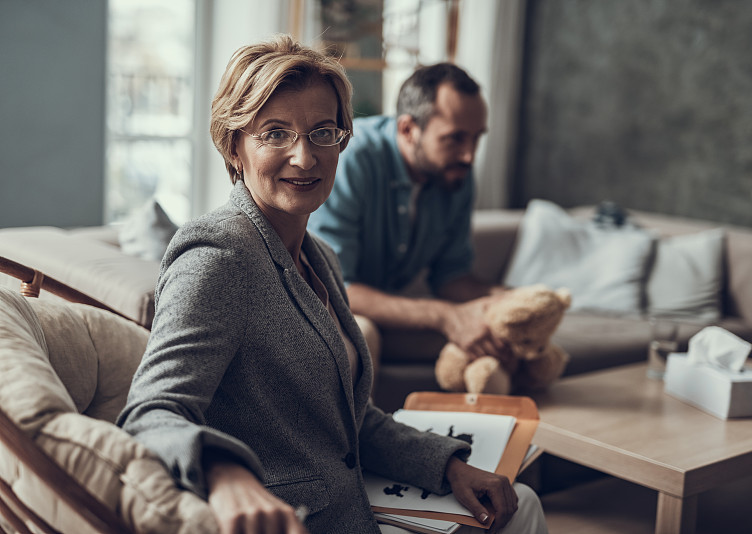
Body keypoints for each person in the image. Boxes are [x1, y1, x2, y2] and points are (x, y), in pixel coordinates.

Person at [117, 35, 547, 534]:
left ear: (342, 140)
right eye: (275, 133)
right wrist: (226, 474)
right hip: (293, 519)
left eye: (322, 132)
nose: (304, 157)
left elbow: (351, 420)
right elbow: (150, 412)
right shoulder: (218, 255)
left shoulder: (319, 259)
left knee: (520, 500)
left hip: (349, 502)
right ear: (234, 145)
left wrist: (448, 466)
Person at [307, 63, 511, 372]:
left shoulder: (455, 174)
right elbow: (337, 287)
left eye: (476, 138)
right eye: (455, 138)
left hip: (385, 312)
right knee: (365, 333)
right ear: (408, 129)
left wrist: (505, 299)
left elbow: (451, 276)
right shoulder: (352, 160)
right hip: (324, 309)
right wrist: (444, 316)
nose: (470, 156)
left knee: (499, 336)